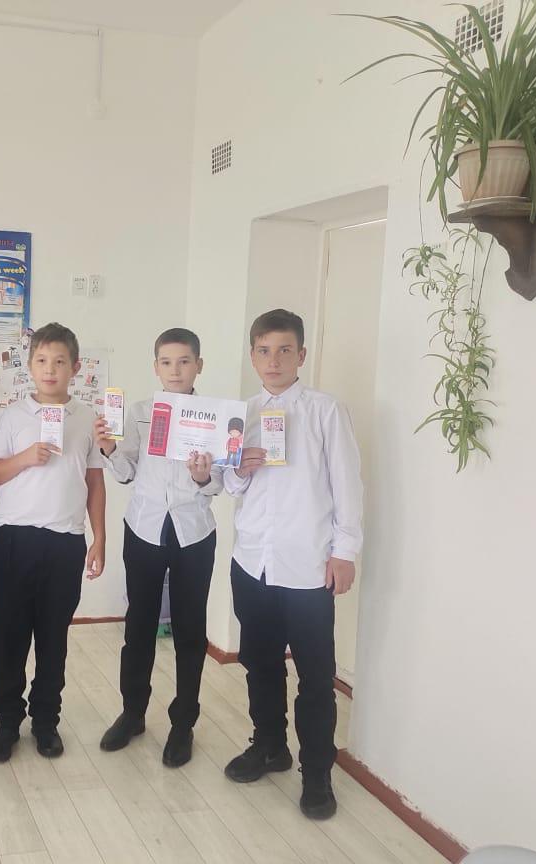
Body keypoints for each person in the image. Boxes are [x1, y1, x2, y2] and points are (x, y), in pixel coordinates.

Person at [222, 308, 363, 820]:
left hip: (307, 567)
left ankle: (317, 772)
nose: (274, 360)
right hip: (252, 562)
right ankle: (270, 746)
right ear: (252, 356)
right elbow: (229, 485)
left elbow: (348, 483)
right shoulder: (241, 414)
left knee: (315, 676)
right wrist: (239, 468)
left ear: (301, 355)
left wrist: (344, 552)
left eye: (284, 350)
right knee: (259, 664)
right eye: (264, 351)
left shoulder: (326, 411)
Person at [94, 328, 222, 768]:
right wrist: (109, 449)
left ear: (199, 365)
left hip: (193, 532)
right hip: (144, 528)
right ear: (155, 367)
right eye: (166, 362)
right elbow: (127, 472)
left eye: (184, 361)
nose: (175, 370)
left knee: (190, 631)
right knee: (139, 625)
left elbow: (219, 484)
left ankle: (183, 724)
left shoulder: (214, 417)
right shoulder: (140, 413)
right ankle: (132, 714)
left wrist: (203, 476)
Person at [0, 322, 106, 762]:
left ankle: (46, 722)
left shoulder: (87, 418)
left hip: (65, 542)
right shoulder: (14, 416)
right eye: (41, 361)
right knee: (8, 636)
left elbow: (94, 481)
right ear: (30, 366)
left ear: (75, 367)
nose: (50, 369)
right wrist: (23, 458)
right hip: (13, 540)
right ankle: (6, 722)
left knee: (54, 639)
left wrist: (99, 537)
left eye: (59, 362)